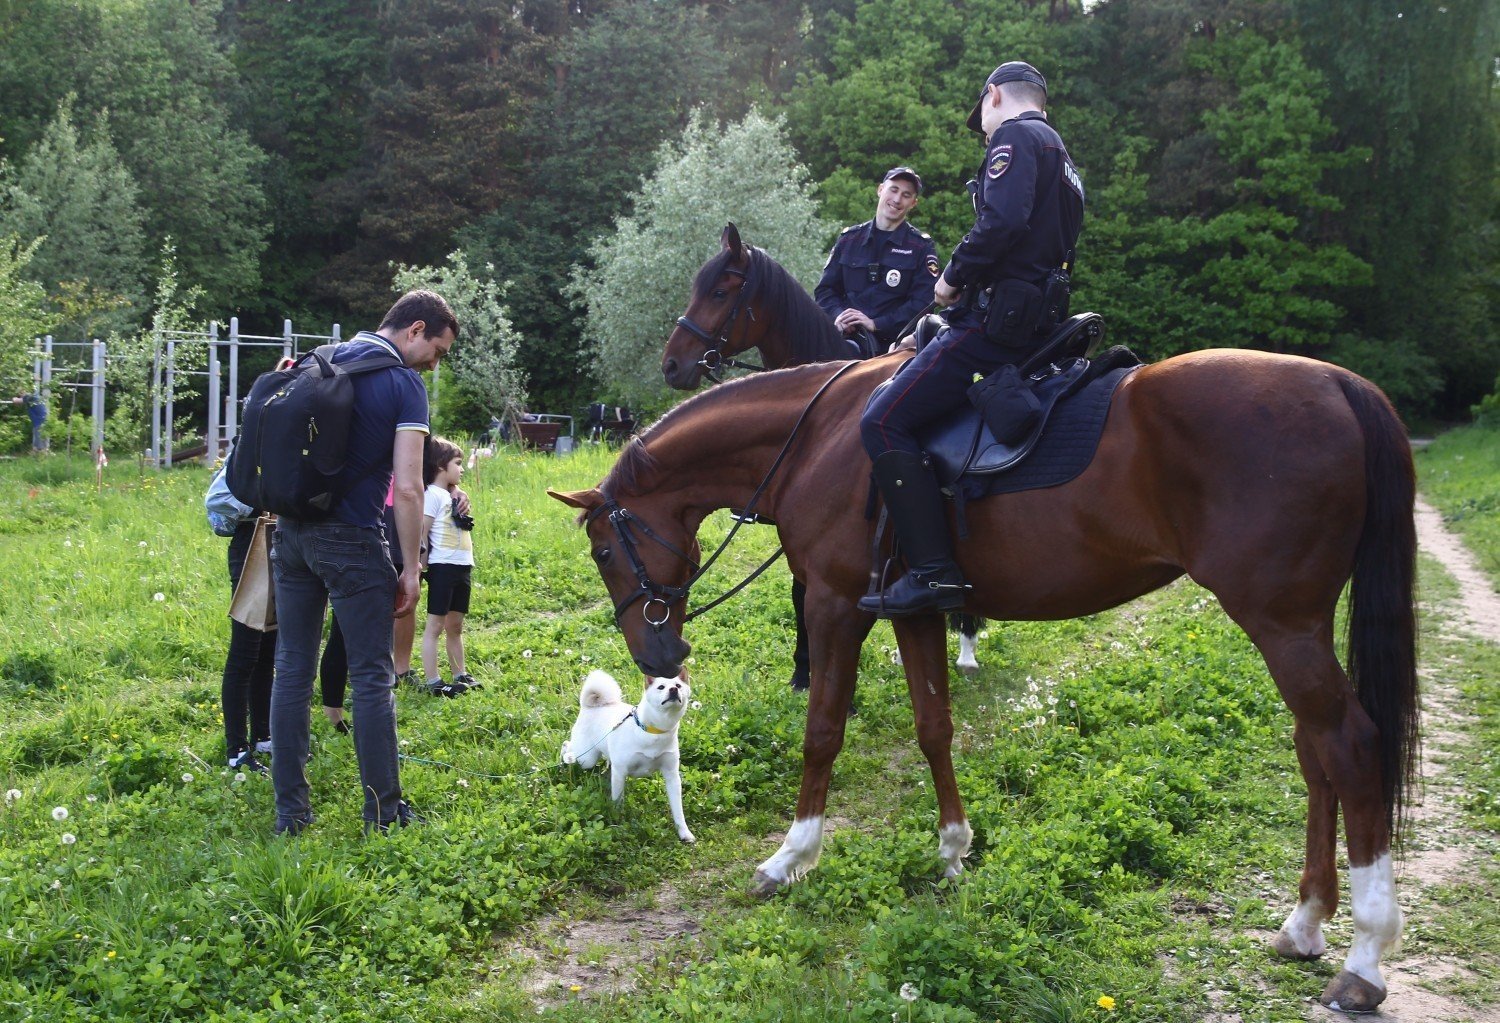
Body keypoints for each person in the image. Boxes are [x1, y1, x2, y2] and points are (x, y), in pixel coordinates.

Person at [858, 61, 1085, 617]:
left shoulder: (1014, 135)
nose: (983, 130)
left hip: (995, 322)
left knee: (881, 421)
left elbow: (1002, 223)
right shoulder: (1063, 155)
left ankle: (935, 573)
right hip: (1039, 317)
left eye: (981, 116)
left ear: (992, 97)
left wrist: (951, 278)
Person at [268, 290, 458, 835]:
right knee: (372, 677)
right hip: (351, 538)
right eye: (437, 350)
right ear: (415, 329)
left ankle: (291, 816)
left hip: (292, 533)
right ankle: (384, 812)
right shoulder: (403, 384)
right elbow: (408, 484)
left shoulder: (318, 359)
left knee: (292, 670)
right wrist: (412, 566)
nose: (433, 362)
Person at [814, 167, 941, 359]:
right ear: (880, 189)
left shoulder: (921, 247)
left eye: (906, 195)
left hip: (891, 350)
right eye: (894, 190)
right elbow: (825, 290)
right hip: (841, 340)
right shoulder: (849, 239)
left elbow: (923, 303)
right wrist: (838, 316)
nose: (897, 199)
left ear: (913, 203)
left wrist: (876, 324)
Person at [418, 435, 479, 697]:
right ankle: (433, 681)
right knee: (435, 626)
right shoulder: (432, 495)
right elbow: (422, 532)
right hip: (442, 566)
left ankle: (459, 673)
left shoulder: (453, 495)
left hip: (461, 566)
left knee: (456, 625)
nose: (462, 468)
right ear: (442, 466)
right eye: (458, 462)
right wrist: (419, 567)